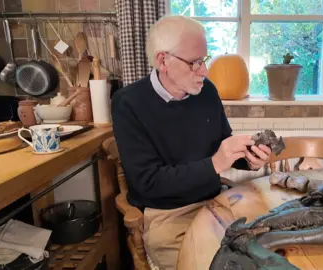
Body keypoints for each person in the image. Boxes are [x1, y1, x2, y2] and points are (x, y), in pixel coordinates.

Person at [111, 15, 272, 269]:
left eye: (204, 60)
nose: (204, 71)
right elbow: (148, 183)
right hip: (167, 216)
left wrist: (249, 159)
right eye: (194, 62)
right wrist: (216, 163)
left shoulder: (206, 91)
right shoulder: (128, 103)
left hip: (216, 203)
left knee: (267, 255)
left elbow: (221, 146)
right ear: (163, 60)